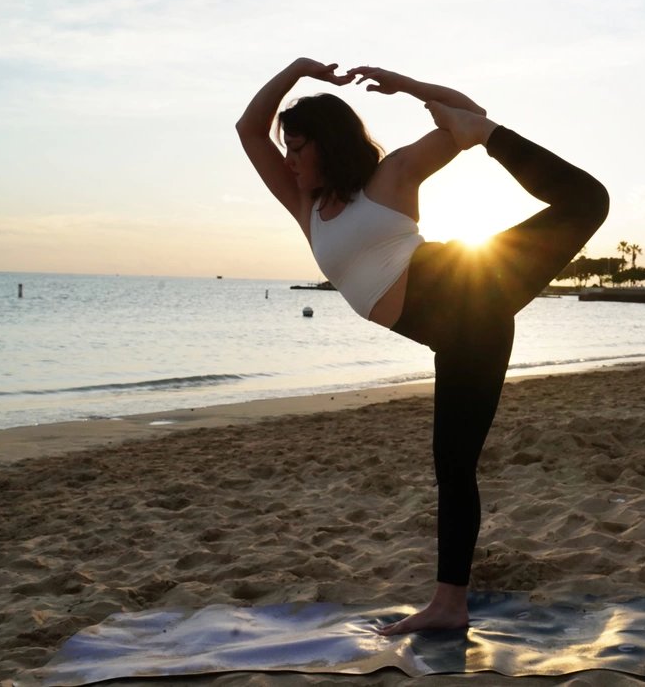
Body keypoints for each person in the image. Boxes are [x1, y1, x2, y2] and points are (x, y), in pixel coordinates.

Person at [237, 58, 609, 635]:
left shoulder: (390, 178)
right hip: (463, 333)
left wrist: (409, 88)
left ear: (327, 144)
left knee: (587, 201)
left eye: (298, 145)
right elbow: (247, 129)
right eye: (287, 147)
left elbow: (466, 113)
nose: (288, 158)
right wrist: (300, 70)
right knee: (454, 467)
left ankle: (493, 145)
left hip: (471, 286)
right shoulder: (304, 205)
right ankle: (449, 603)